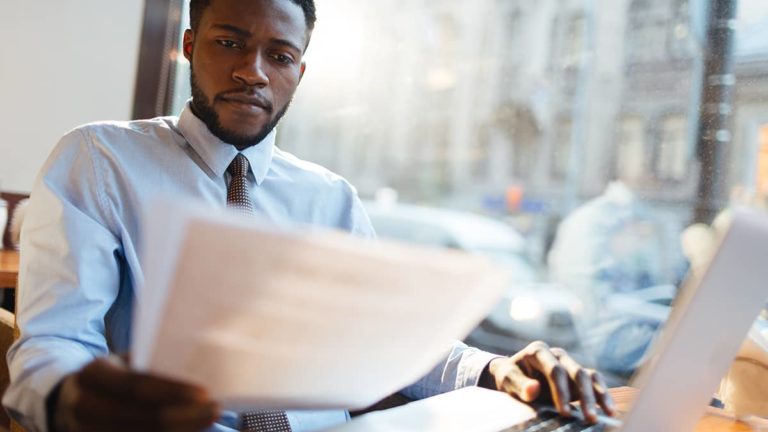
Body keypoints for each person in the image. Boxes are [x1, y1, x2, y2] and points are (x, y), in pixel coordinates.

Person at [3, 0, 615, 431]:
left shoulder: (331, 197)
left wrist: (497, 367)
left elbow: (389, 339)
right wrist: (69, 400)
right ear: (189, 47)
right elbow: (56, 339)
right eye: (230, 42)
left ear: (300, 71)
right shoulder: (102, 157)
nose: (252, 72)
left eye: (280, 54)